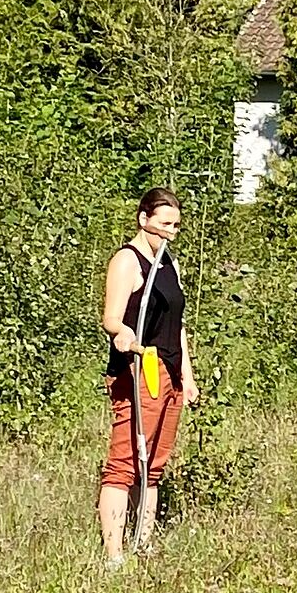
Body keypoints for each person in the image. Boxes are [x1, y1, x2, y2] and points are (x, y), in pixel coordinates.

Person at [98, 186, 195, 566]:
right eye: (165, 223)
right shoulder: (128, 260)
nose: (171, 231)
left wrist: (187, 373)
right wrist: (121, 333)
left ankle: (145, 542)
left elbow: (178, 322)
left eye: (176, 225)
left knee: (153, 463)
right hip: (139, 369)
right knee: (126, 461)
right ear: (144, 219)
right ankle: (114, 555)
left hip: (168, 371)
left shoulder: (167, 263)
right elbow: (111, 316)